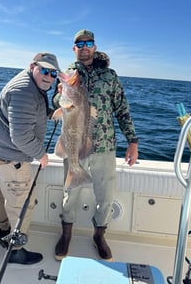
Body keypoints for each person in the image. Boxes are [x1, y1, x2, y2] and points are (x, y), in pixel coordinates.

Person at [52, 29, 138, 262]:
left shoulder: (110, 76)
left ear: (95, 47)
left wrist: (132, 141)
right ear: (74, 49)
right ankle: (66, 234)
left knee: (106, 196)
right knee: (70, 193)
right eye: (80, 44)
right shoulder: (69, 75)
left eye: (89, 43)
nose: (85, 47)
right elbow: (55, 103)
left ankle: (99, 236)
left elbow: (122, 109)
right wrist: (59, 94)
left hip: (105, 146)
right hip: (73, 144)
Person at [0, 52, 61, 265]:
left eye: (53, 74)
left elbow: (30, 112)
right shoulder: (24, 91)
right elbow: (21, 136)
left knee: (5, 198)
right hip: (10, 157)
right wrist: (41, 154)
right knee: (23, 203)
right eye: (44, 70)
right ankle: (16, 250)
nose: (49, 77)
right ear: (32, 66)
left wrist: (52, 113)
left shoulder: (31, 85)